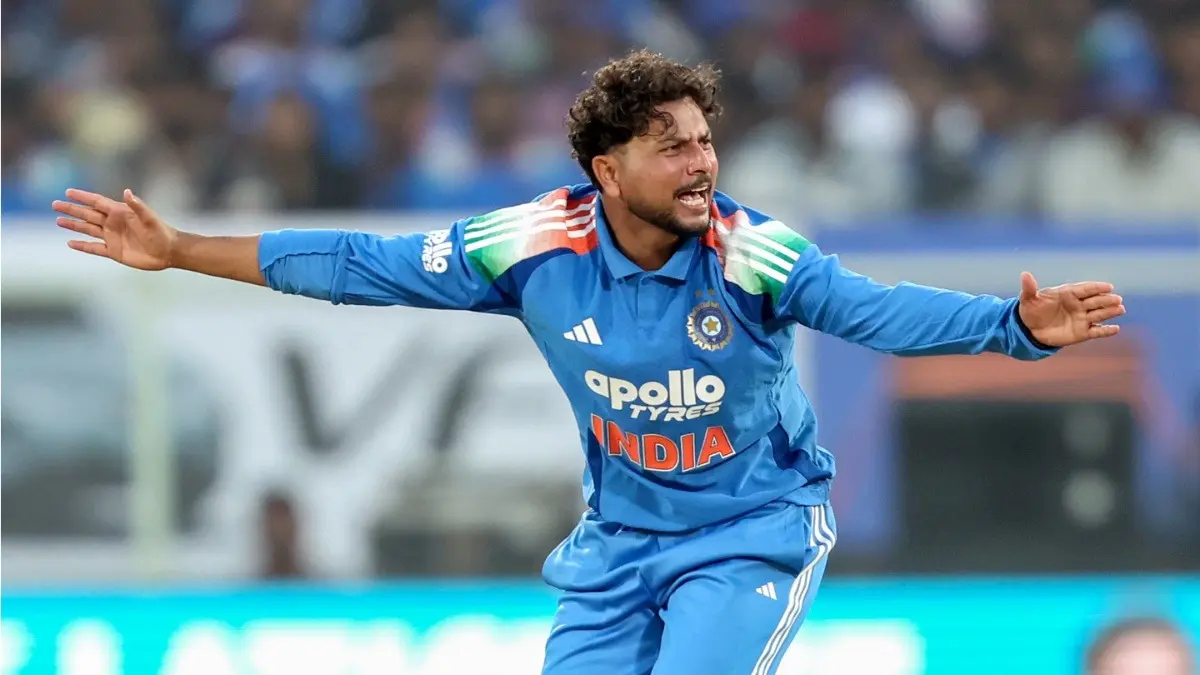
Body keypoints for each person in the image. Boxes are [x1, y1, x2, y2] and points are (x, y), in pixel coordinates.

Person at [51, 50, 1126, 675]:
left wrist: (1012, 330)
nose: (703, 162)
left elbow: (872, 311)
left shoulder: (752, 253)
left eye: (706, 139)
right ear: (607, 170)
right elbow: (359, 263)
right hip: (616, 551)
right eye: (674, 146)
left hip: (750, 534)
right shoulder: (531, 248)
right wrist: (181, 248)